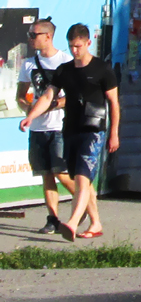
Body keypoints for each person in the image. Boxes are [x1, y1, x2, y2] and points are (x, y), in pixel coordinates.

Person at [19, 23, 119, 242]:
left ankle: (72, 223)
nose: (75, 51)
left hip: (93, 131)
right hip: (70, 129)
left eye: (78, 46)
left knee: (82, 179)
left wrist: (114, 133)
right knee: (77, 177)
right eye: (72, 47)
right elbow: (47, 96)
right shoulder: (65, 70)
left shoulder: (102, 69)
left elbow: (114, 102)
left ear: (88, 43)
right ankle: (95, 222)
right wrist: (30, 116)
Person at [16, 19, 75, 235]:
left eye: (34, 35)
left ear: (48, 36)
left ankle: (86, 203)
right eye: (30, 35)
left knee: (61, 172)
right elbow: (20, 96)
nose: (30, 39)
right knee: (46, 174)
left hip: (59, 126)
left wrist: (52, 105)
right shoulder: (28, 64)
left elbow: (75, 97)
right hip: (37, 129)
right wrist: (28, 109)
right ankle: (53, 218)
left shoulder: (66, 62)